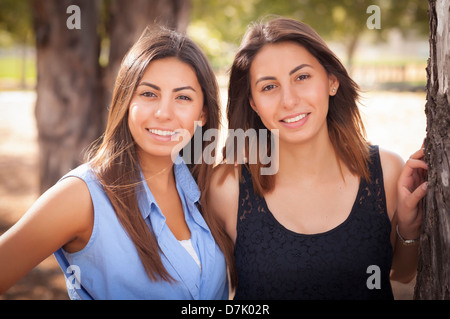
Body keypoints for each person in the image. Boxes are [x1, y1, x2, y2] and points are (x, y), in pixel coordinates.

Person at [0, 26, 229, 300]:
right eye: (148, 94)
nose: (164, 113)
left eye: (183, 97)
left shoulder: (208, 191)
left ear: (202, 113)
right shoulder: (82, 196)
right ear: (125, 100)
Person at [207, 17, 428, 299]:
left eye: (302, 77)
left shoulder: (387, 171)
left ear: (332, 81)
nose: (289, 100)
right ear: (253, 103)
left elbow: (401, 272)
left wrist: (408, 228)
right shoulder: (226, 187)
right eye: (269, 87)